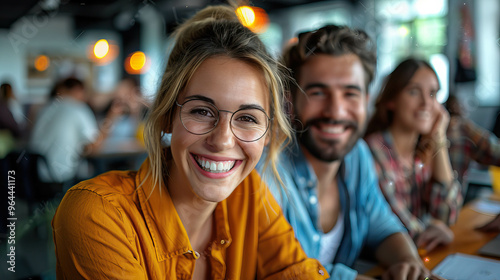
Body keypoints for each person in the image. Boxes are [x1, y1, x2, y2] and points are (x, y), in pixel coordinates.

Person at [52, 5, 328, 280]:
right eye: (202, 111)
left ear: (268, 134)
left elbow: (295, 272)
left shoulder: (250, 194)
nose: (222, 140)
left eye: (247, 118)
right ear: (166, 117)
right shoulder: (97, 215)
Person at [257, 25, 431, 280]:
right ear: (291, 100)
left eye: (350, 93)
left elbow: (382, 226)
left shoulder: (357, 155)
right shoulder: (267, 169)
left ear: (366, 101)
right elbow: (282, 270)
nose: (336, 111)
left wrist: (410, 263)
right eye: (318, 92)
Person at [365, 58, 463, 252]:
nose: (427, 103)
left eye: (433, 94)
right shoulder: (373, 151)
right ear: (391, 100)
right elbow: (405, 231)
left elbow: (447, 213)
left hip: (417, 257)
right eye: (413, 92)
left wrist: (438, 139)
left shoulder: (422, 151)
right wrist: (438, 229)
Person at [29, 77, 123, 183]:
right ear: (77, 90)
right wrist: (111, 117)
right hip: (61, 176)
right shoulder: (78, 108)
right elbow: (94, 146)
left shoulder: (44, 108)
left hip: (34, 174)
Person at [445, 94, 500, 186]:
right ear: (455, 106)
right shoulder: (462, 129)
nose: (465, 107)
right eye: (462, 104)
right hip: (453, 196)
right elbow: (496, 152)